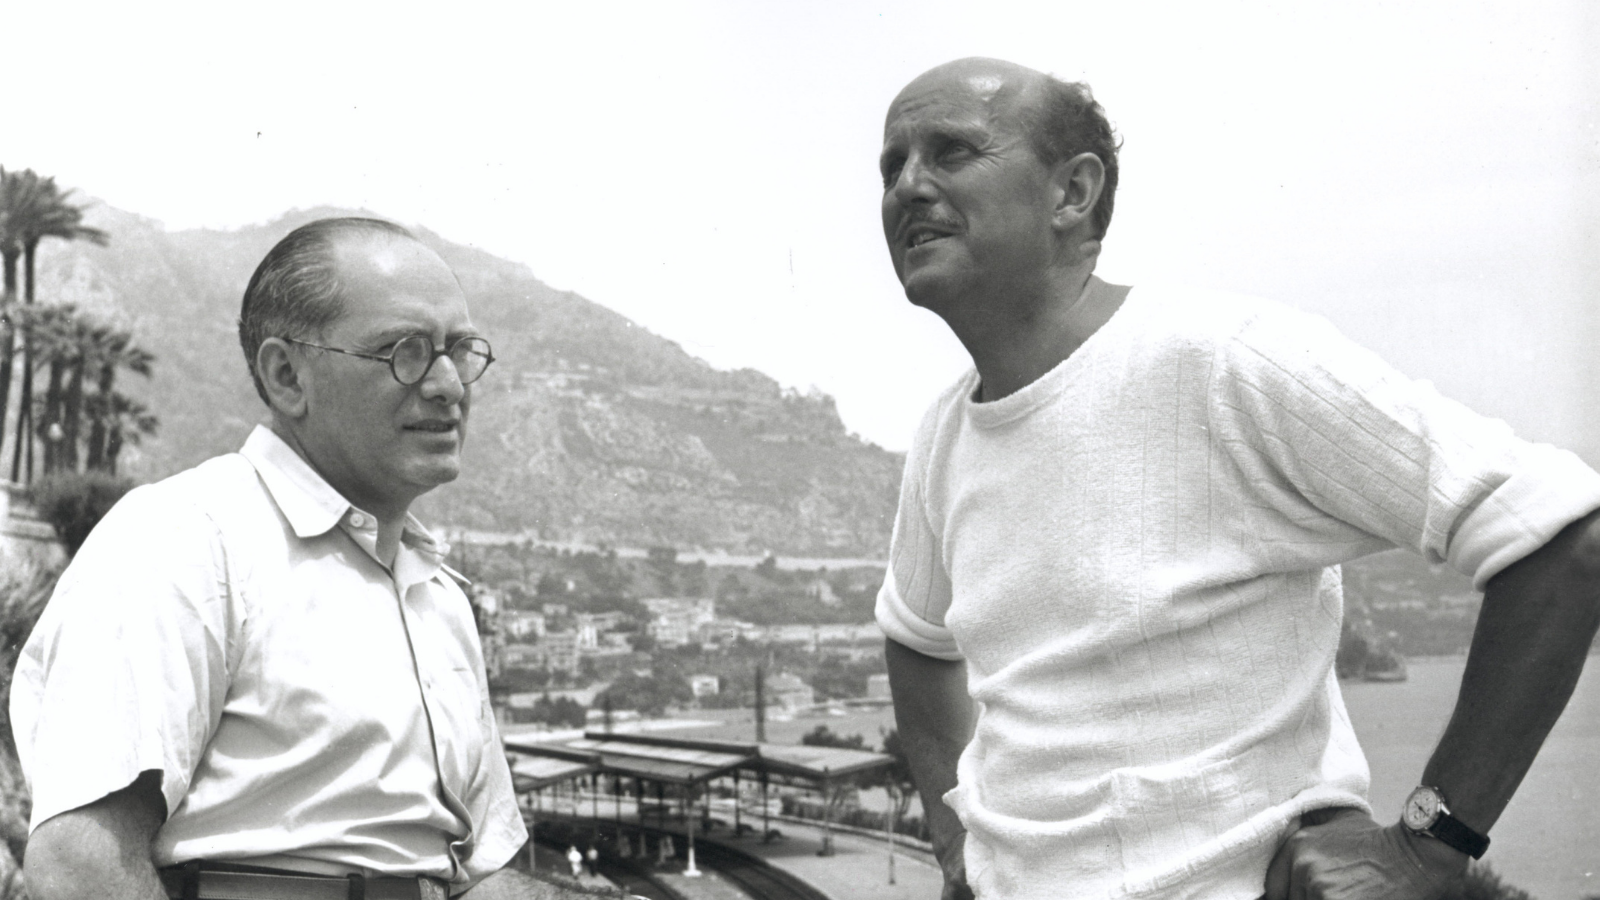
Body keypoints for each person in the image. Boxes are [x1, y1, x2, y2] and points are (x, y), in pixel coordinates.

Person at [873, 58, 1600, 900]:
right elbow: (916, 639)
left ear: (1072, 193)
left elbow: (1564, 536)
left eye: (952, 152)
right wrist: (956, 840)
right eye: (892, 166)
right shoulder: (945, 432)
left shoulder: (1223, 364)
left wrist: (1428, 845)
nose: (907, 187)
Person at [11, 218, 600, 899]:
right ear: (287, 375)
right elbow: (81, 867)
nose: (449, 385)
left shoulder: (437, 596)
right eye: (404, 352)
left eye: (459, 351)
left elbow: (476, 882)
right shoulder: (186, 541)